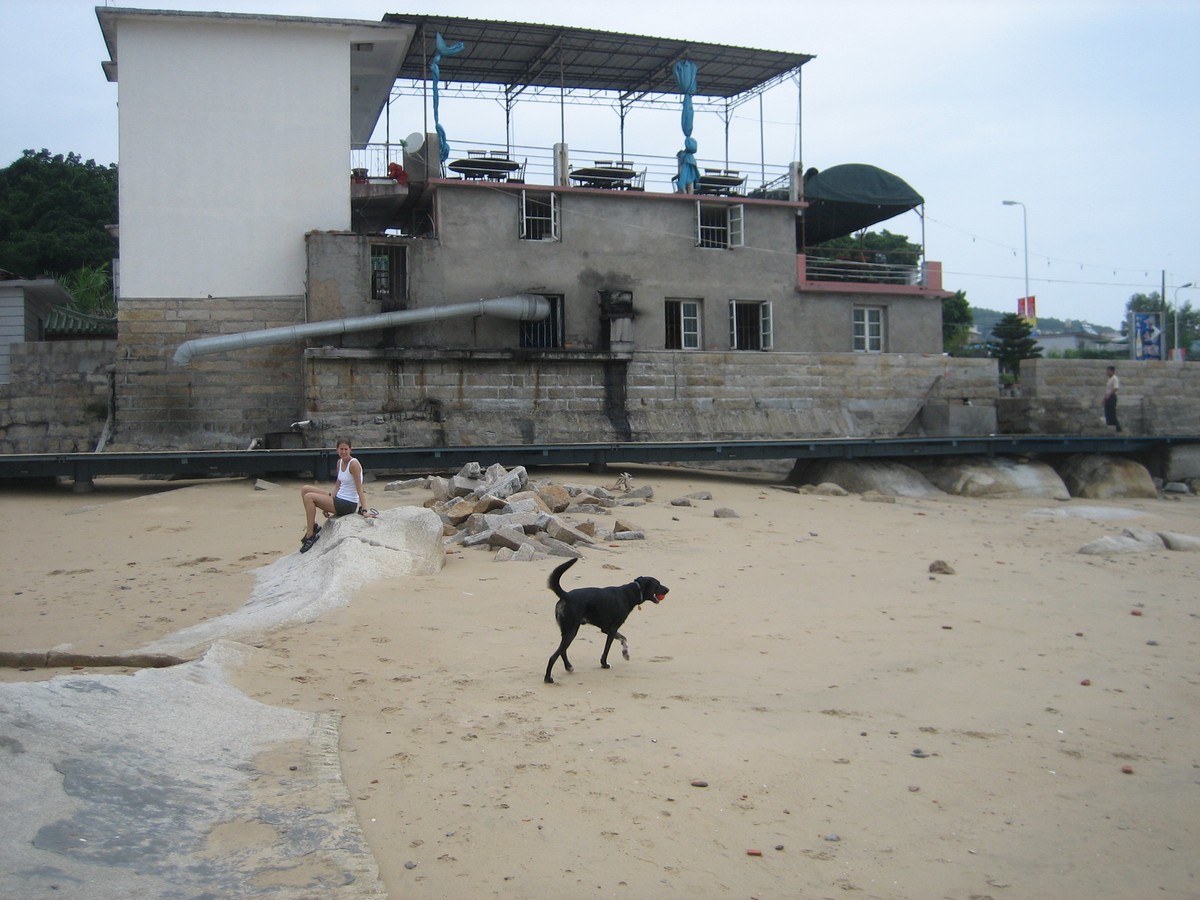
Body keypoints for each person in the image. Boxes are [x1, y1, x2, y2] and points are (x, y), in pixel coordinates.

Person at [299, 439, 366, 552]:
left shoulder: (353, 464)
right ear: (337, 450)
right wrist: (327, 502)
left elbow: (360, 488)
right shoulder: (340, 462)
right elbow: (337, 486)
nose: (343, 452)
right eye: (341, 449)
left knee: (309, 497)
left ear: (350, 449)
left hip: (348, 504)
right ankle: (314, 525)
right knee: (305, 489)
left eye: (346, 449)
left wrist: (364, 509)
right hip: (338, 498)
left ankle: (310, 535)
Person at [1103, 365, 1122, 432]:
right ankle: (1110, 427)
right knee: (1107, 412)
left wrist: (1109, 395)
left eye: (1108, 371)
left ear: (1112, 371)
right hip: (1108, 397)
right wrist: (1105, 398)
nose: (1107, 372)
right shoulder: (1109, 379)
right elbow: (1107, 389)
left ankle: (1118, 428)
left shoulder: (1115, 378)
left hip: (1112, 397)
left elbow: (1115, 388)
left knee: (1112, 413)